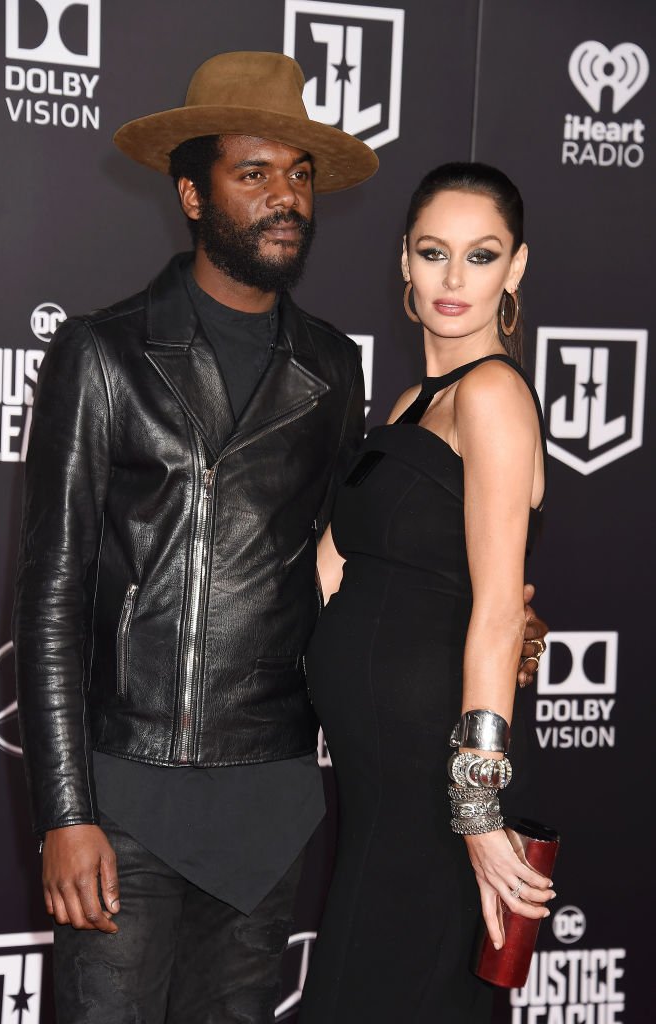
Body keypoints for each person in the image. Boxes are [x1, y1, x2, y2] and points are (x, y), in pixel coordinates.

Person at [12, 49, 545, 1022]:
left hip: (275, 799)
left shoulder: (336, 368)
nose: (284, 196)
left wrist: (498, 608)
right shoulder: (103, 353)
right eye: (253, 173)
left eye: (298, 175)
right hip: (128, 797)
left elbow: (358, 552)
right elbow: (49, 596)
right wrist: (65, 807)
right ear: (190, 190)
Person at [298, 163, 554, 1024]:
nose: (453, 280)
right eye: (433, 252)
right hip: (378, 774)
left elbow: (491, 609)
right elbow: (331, 567)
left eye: (480, 257)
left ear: (513, 269)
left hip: (430, 778)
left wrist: (477, 807)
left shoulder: (491, 397)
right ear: (402, 260)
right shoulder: (412, 402)